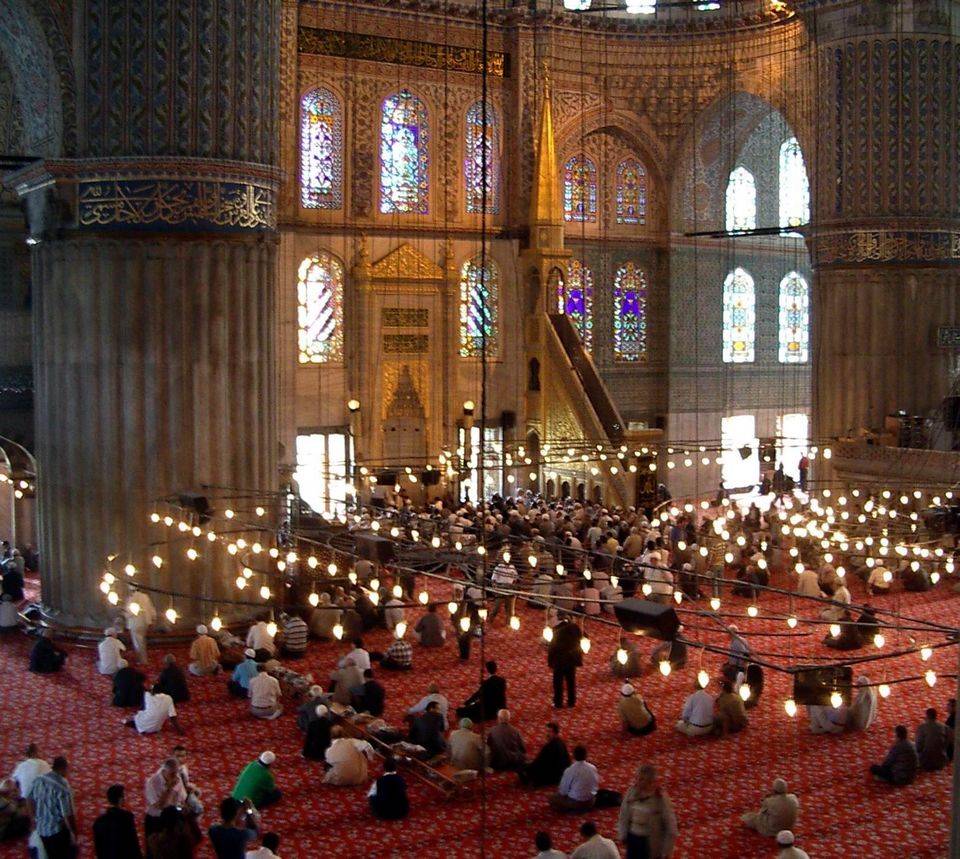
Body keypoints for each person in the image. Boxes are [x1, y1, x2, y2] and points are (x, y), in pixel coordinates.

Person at [617, 764, 678, 859]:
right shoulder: (631, 792)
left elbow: (671, 826)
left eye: (641, 779)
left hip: (650, 841)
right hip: (633, 838)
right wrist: (623, 834)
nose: (637, 782)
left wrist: (667, 850)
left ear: (650, 782)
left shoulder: (660, 798)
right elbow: (623, 815)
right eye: (637, 778)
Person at [27, 756, 77, 859]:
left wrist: (33, 819)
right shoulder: (62, 786)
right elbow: (67, 815)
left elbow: (29, 799)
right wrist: (74, 832)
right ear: (63, 768)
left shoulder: (39, 780)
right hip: (56, 831)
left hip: (41, 829)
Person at [93, 784, 142, 859]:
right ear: (120, 799)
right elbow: (133, 843)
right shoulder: (127, 817)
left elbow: (98, 847)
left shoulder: (99, 821)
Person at [144, 758, 188, 837]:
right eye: (172, 774)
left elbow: (182, 798)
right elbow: (158, 806)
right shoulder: (152, 782)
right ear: (164, 771)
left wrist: (181, 806)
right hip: (156, 819)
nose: (175, 776)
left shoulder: (177, 778)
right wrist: (169, 789)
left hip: (172, 818)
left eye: (176, 773)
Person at [548, 614, 583, 709]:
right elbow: (581, 638)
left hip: (559, 661)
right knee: (571, 681)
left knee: (558, 683)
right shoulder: (575, 629)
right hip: (571, 659)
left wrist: (550, 662)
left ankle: (558, 703)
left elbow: (552, 648)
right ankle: (571, 702)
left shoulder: (556, 630)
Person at [550, 745, 599, 814]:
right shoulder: (593, 768)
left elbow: (563, 791)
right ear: (586, 755)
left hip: (576, 802)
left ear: (574, 756)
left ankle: (573, 809)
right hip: (591, 801)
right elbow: (595, 786)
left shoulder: (570, 770)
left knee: (553, 799)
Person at [520, 722, 571, 787]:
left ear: (555, 733)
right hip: (561, 774)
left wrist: (527, 768)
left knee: (523, 769)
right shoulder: (561, 743)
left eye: (549, 732)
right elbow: (568, 761)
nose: (547, 734)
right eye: (547, 731)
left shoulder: (549, 747)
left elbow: (538, 762)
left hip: (552, 775)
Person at [126, 589, 156, 663]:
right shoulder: (145, 597)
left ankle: (141, 660)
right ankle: (143, 658)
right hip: (144, 622)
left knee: (137, 643)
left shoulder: (131, 598)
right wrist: (153, 618)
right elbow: (151, 609)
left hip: (134, 624)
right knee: (142, 641)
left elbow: (128, 613)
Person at [916, 707, 950, 771]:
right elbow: (946, 743)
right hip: (941, 761)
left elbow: (918, 746)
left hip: (925, 762)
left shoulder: (922, 727)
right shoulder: (944, 727)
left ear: (927, 716)